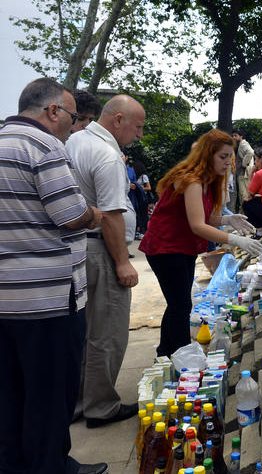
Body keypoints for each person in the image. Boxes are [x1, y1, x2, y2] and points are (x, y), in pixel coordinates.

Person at [0, 78, 106, 474]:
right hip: (46, 299)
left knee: (11, 391)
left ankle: (14, 465)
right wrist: (95, 214)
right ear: (52, 111)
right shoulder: (43, 146)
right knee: (49, 392)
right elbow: (71, 216)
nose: (73, 126)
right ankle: (52, 466)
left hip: (6, 298)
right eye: (73, 117)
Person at [139, 129, 262, 356]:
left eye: (230, 156)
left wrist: (227, 219)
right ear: (207, 155)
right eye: (222, 156)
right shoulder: (191, 180)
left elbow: (202, 217)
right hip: (165, 248)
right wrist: (234, 239)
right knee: (181, 305)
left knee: (179, 302)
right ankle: (182, 356)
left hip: (181, 247)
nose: (228, 162)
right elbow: (198, 225)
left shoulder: (207, 181)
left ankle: (165, 353)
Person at [66, 94, 142, 429]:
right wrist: (123, 263)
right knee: (107, 331)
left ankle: (79, 400)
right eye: (137, 126)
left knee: (82, 331)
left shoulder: (73, 141)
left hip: (76, 248)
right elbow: (111, 216)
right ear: (118, 119)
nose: (139, 134)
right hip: (101, 249)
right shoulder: (107, 154)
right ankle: (101, 406)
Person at [232, 129, 255, 211]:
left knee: (243, 194)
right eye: (233, 135)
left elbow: (251, 152)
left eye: (236, 135)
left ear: (241, 136)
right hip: (243, 173)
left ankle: (244, 214)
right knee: (244, 194)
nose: (234, 137)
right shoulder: (242, 144)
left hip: (244, 173)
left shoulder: (243, 144)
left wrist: (244, 164)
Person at [133, 159, 152, 238]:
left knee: (143, 215)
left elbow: (149, 188)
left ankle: (145, 231)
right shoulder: (135, 177)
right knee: (138, 214)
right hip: (137, 198)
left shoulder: (144, 176)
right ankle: (139, 231)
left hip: (143, 198)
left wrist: (139, 188)